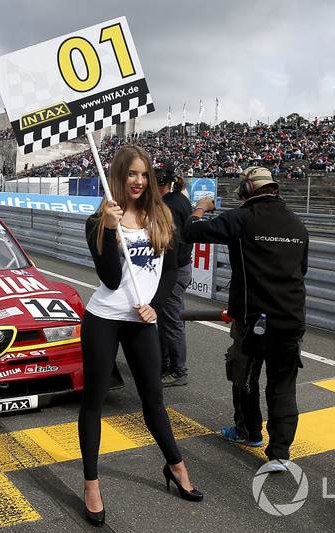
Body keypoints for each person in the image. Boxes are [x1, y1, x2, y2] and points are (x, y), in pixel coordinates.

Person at [80, 146, 202, 527]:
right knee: (94, 402)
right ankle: (91, 484)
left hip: (142, 320)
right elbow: (111, 279)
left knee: (154, 401)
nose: (138, 181)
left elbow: (171, 269)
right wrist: (110, 229)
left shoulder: (161, 214)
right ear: (118, 175)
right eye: (131, 174)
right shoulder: (99, 219)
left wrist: (156, 304)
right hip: (104, 318)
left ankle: (177, 468)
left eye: (144, 174)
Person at [183, 166, 308, 472]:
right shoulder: (297, 224)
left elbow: (190, 231)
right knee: (283, 386)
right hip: (291, 317)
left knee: (245, 376)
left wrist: (201, 207)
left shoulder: (241, 218)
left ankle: (248, 431)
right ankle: (279, 453)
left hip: (253, 319)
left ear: (249, 190)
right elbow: (300, 270)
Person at [155, 160, 194, 387]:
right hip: (179, 267)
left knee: (171, 321)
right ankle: (166, 365)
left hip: (175, 269)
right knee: (167, 319)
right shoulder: (180, 200)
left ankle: (178, 370)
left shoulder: (169, 205)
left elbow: (172, 242)